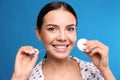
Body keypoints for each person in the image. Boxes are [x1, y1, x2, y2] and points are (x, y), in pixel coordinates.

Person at [11, 1, 115, 80]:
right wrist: (17, 78)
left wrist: (105, 70)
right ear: (38, 33)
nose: (62, 38)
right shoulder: (29, 77)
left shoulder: (93, 70)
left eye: (70, 29)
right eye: (52, 29)